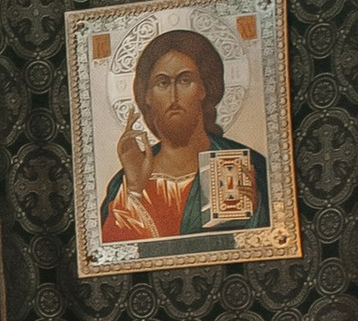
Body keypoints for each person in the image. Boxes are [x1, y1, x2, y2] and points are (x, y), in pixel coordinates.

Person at [98, 29, 271, 247]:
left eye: (184, 80)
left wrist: (258, 210)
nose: (173, 97)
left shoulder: (247, 166)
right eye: (162, 83)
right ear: (147, 96)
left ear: (204, 89)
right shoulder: (126, 182)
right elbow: (114, 258)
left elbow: (267, 246)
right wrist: (133, 191)